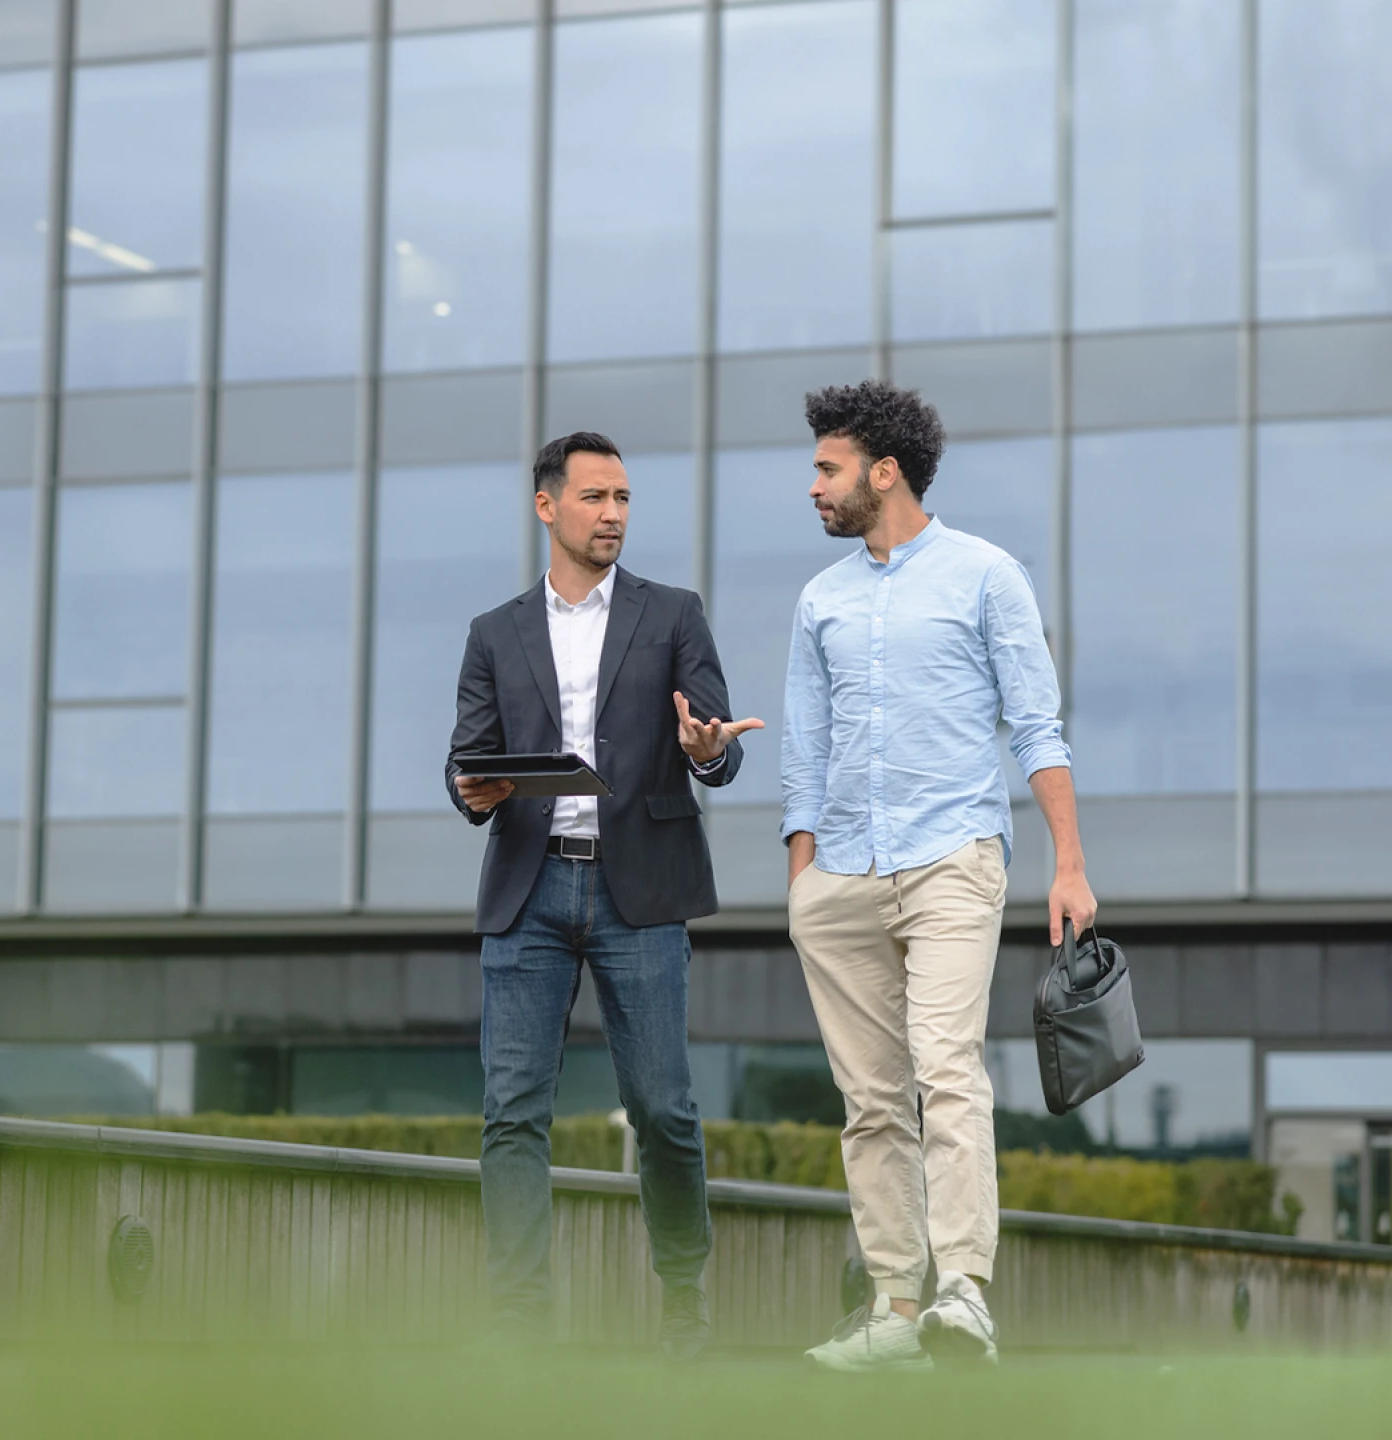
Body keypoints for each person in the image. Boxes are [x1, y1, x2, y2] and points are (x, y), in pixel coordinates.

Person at [780, 380, 1096, 1372]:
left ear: (885, 472)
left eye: (828, 469)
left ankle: (965, 1292)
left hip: (952, 859)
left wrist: (1069, 867)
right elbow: (805, 747)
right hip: (840, 879)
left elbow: (1036, 726)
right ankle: (896, 1309)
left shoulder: (986, 577)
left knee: (947, 1074)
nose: (815, 487)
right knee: (871, 1103)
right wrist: (804, 879)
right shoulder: (820, 599)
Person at [445, 430, 763, 1360]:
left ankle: (682, 1302)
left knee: (663, 1108)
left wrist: (710, 749)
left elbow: (718, 743)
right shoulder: (492, 634)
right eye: (594, 498)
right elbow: (466, 763)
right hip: (528, 890)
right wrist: (472, 787)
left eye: (623, 498)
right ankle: (518, 1323)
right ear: (547, 506)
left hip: (640, 892)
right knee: (513, 1113)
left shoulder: (674, 615)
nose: (613, 514)